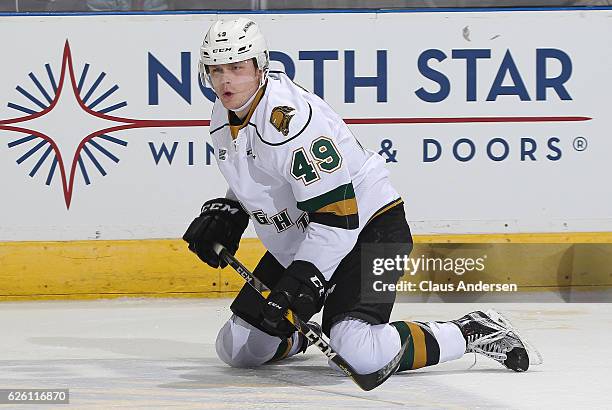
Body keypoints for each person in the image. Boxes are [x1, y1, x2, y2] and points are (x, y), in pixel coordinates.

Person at [183, 17, 537, 377]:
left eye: (236, 67)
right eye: (215, 69)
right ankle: (306, 336)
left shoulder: (291, 124)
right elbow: (261, 175)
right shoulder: (225, 112)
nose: (225, 80)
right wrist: (229, 211)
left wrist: (305, 279)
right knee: (239, 349)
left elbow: (339, 216)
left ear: (260, 67)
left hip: (371, 228)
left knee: (360, 354)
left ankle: (471, 330)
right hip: (308, 238)